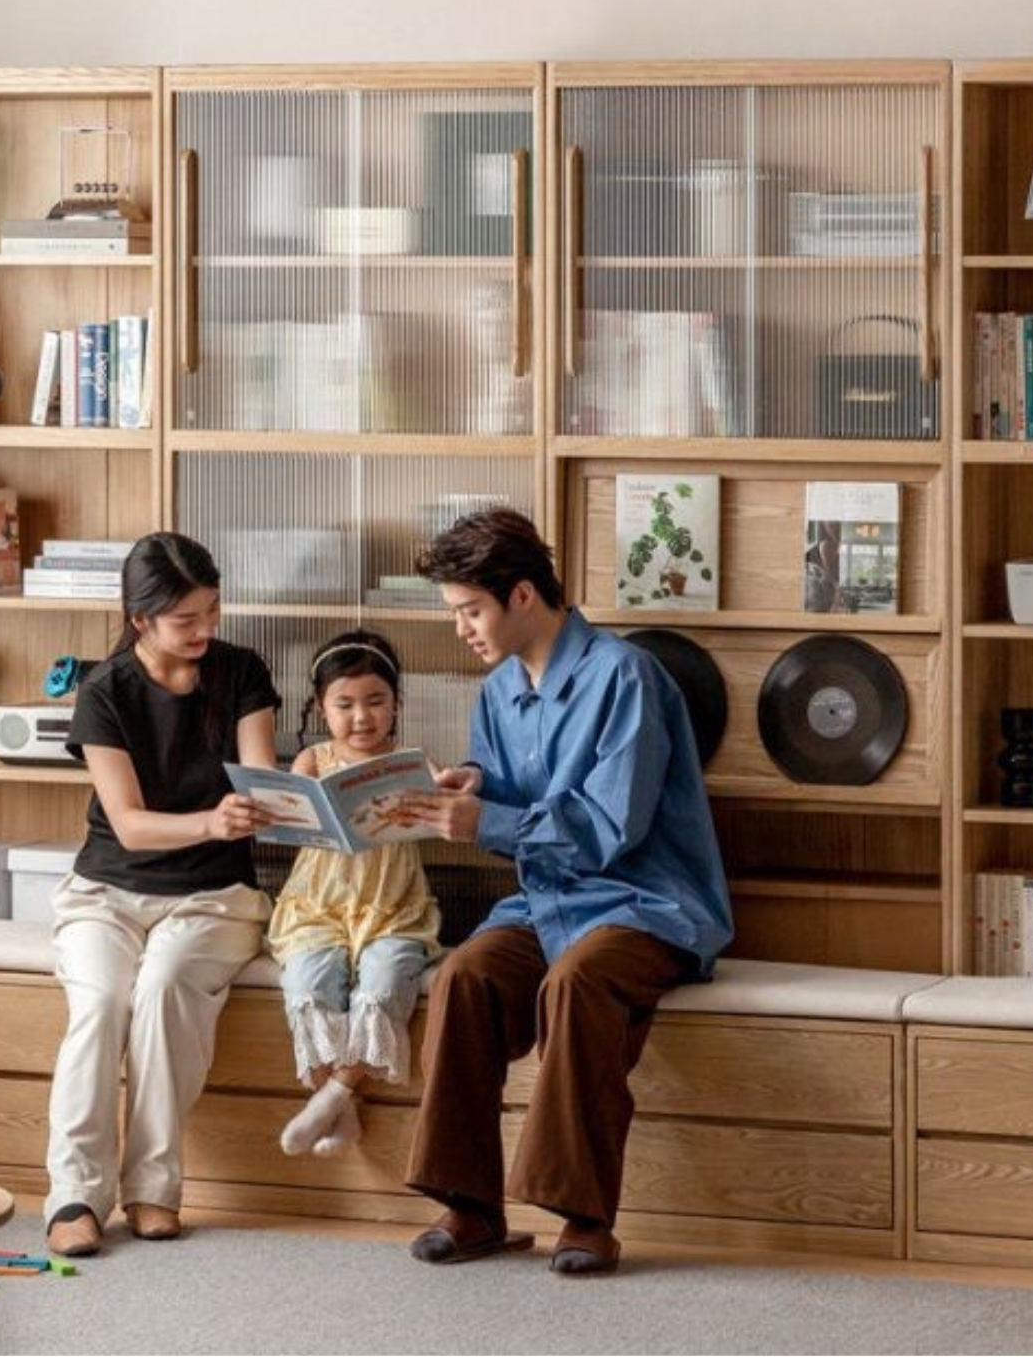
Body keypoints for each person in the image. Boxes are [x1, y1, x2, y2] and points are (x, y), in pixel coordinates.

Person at [397, 508, 732, 1275]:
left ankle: (586, 1216)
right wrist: (472, 784)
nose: (463, 631)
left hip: (644, 903)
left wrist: (487, 819)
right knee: (466, 976)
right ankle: (471, 1206)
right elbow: (514, 792)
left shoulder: (625, 676)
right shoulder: (498, 692)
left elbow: (610, 826)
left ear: (521, 596)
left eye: (470, 612)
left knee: (577, 981)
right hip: (548, 902)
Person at [44, 531, 280, 1258]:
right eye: (187, 620)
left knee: (166, 987)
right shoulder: (104, 692)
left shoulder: (241, 672)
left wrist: (271, 804)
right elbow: (129, 825)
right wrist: (211, 819)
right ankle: (75, 1195)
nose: (205, 630)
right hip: (105, 894)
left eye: (212, 610)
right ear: (140, 619)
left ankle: (153, 1189)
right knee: (102, 1003)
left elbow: (263, 777)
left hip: (214, 896)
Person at [267, 630, 441, 1158]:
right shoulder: (313, 762)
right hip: (317, 905)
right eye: (344, 704)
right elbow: (286, 812)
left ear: (396, 705)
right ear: (322, 708)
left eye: (375, 702)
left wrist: (442, 789)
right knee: (308, 987)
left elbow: (442, 801)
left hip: (393, 907)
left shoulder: (411, 762)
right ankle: (342, 1112)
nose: (361, 717)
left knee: (383, 985)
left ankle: (334, 1097)